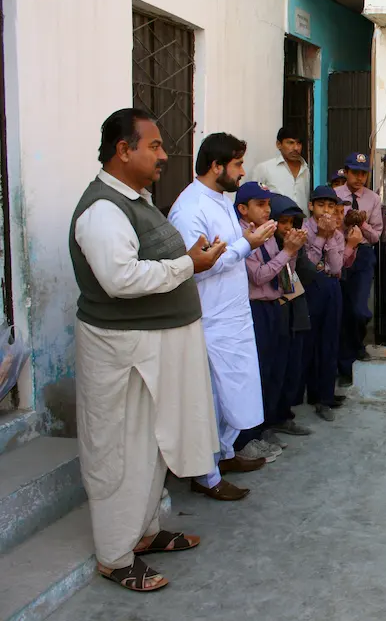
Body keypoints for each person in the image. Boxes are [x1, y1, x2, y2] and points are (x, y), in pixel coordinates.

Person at [71, 108, 226, 592]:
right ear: (123, 150)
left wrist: (189, 259)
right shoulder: (102, 210)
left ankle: (143, 534)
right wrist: (187, 265)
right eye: (154, 146)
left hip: (150, 348)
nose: (164, 155)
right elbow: (120, 280)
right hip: (124, 353)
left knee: (151, 446)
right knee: (122, 449)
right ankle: (115, 555)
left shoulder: (133, 199)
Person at [169, 132, 278, 502]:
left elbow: (226, 251)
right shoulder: (190, 208)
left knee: (237, 392)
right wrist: (248, 244)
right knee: (211, 398)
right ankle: (206, 474)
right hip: (210, 318)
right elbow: (197, 267)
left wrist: (248, 238)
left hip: (234, 314)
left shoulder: (221, 201)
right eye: (237, 164)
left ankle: (225, 454)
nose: (242, 171)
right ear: (217, 167)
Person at [235, 182, 308, 455]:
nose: (267, 211)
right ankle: (252, 435)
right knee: (261, 371)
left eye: (268, 205)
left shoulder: (265, 233)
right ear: (243, 209)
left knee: (279, 367)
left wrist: (292, 249)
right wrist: (287, 252)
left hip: (275, 304)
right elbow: (259, 276)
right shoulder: (243, 236)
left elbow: (284, 273)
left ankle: (272, 422)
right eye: (260, 205)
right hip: (255, 308)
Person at [301, 185, 362, 420]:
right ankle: (310, 393)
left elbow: (336, 267)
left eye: (330, 206)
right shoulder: (304, 230)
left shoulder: (337, 233)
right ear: (311, 206)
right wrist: (320, 238)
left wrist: (332, 237)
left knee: (330, 339)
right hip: (310, 287)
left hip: (331, 285)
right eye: (320, 205)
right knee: (310, 341)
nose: (326, 210)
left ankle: (325, 396)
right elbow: (308, 264)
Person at [267, 194, 317, 437]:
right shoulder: (265, 244)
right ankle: (267, 422)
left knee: (291, 366)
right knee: (273, 367)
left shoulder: (296, 244)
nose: (287, 228)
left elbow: (306, 274)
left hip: (294, 308)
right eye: (282, 221)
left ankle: (283, 415)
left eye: (291, 222)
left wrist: (295, 252)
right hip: (274, 311)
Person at [334, 152, 382, 381]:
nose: (360, 177)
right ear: (347, 172)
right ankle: (345, 361)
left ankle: (357, 343)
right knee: (342, 308)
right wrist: (344, 223)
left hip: (362, 254)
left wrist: (361, 223)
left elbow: (376, 237)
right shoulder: (334, 195)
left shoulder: (373, 199)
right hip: (339, 251)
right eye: (355, 172)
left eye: (364, 173)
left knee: (359, 308)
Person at [251, 127, 312, 212]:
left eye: (299, 143)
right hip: (275, 223)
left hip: (302, 224)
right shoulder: (264, 168)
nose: (296, 148)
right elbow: (253, 199)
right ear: (278, 144)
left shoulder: (306, 169)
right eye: (290, 143)